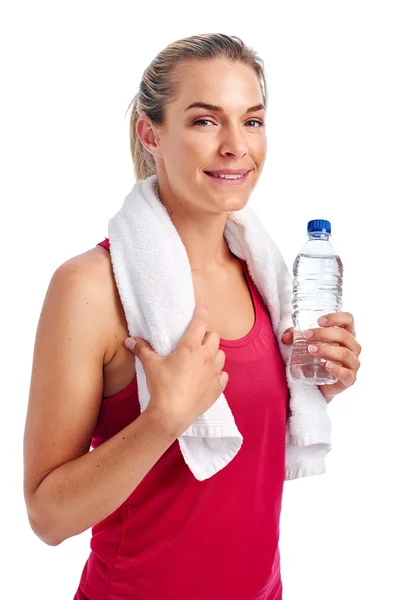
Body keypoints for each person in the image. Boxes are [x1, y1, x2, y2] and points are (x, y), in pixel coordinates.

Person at [23, 33, 361, 600]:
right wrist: (163, 420)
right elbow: (47, 517)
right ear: (151, 133)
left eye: (252, 121)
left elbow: (240, 458)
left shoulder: (267, 280)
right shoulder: (89, 288)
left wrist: (314, 385)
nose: (236, 146)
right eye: (206, 122)